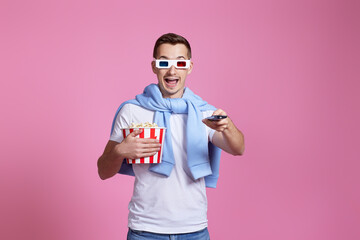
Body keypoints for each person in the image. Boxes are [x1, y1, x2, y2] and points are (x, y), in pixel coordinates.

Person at [97, 33, 245, 240]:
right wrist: (120, 151)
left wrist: (227, 126)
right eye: (164, 62)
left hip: (194, 230)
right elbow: (103, 170)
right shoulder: (132, 110)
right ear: (154, 66)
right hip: (145, 230)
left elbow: (238, 148)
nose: (172, 70)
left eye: (180, 62)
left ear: (189, 67)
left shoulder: (205, 114)